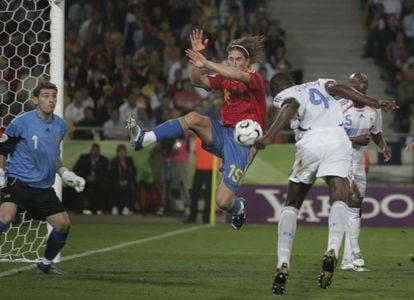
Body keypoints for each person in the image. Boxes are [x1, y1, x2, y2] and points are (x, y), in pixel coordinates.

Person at [254, 72, 396, 294]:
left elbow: (291, 105)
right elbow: (341, 89)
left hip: (311, 142)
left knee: (292, 203)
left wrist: (269, 136)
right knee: (340, 196)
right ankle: (332, 249)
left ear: (276, 90)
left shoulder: (285, 95)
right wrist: (375, 102)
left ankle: (283, 262)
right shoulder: (318, 83)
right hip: (339, 141)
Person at [126, 28, 267, 230]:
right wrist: (197, 63)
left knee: (222, 201)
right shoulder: (225, 76)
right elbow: (197, 81)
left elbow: (237, 75)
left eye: (238, 59)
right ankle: (144, 138)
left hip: (242, 144)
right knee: (193, 117)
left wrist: (207, 62)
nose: (234, 63)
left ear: (247, 63)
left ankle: (238, 207)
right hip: (223, 132)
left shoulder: (255, 79)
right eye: (231, 59)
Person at [0, 82, 85, 274]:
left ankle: (45, 264)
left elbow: (53, 155)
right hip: (18, 180)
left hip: (43, 187)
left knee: (63, 224)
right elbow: (3, 150)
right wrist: (0, 174)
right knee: (5, 217)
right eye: (46, 95)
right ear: (35, 100)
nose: (51, 99)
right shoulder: (20, 122)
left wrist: (65, 173)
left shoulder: (61, 126)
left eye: (54, 95)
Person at [339, 72, 392, 271]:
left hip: (360, 161)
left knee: (356, 205)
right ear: (349, 86)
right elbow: (331, 135)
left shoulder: (374, 109)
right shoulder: (340, 107)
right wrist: (353, 141)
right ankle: (356, 250)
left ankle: (347, 261)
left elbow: (376, 133)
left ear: (367, 86)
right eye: (354, 82)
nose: (358, 85)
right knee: (353, 199)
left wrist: (383, 147)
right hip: (341, 159)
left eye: (362, 82)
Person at [185, 136, 218, 224]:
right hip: (208, 169)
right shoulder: (217, 138)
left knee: (198, 194)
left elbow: (195, 152)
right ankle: (204, 218)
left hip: (206, 169)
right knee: (207, 195)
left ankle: (194, 217)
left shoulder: (198, 138)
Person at [73, 143, 109, 214]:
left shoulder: (104, 160)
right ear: (90, 150)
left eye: (97, 150)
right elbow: (76, 170)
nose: (95, 152)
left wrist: (96, 178)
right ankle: (79, 208)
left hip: (98, 181)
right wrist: (86, 178)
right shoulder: (83, 158)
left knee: (103, 187)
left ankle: (98, 209)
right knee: (78, 186)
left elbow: (105, 173)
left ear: (99, 151)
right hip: (84, 180)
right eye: (93, 150)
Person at [109, 144, 137, 216]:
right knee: (114, 187)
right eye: (120, 151)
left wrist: (125, 168)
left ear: (125, 152)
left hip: (127, 181)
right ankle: (115, 206)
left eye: (123, 151)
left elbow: (133, 173)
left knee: (127, 188)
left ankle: (126, 207)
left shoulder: (129, 160)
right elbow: (112, 174)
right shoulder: (114, 161)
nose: (121, 153)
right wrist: (119, 182)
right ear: (117, 152)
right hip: (117, 181)